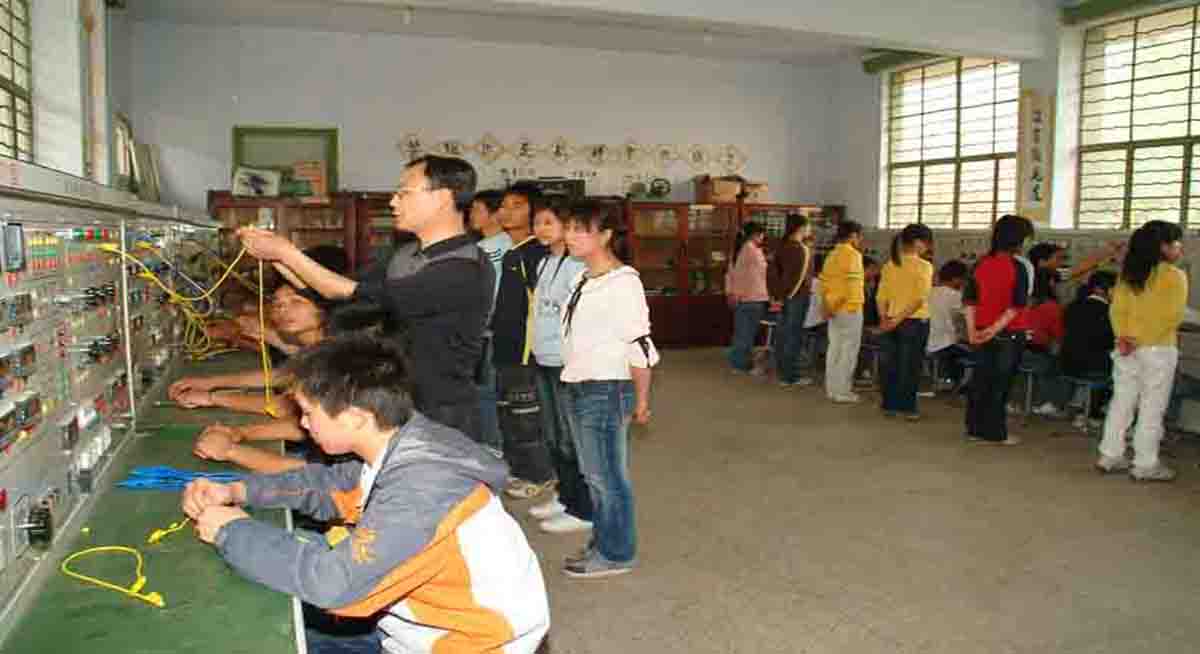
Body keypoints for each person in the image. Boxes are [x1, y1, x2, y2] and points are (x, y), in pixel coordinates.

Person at [182, 335, 549, 653]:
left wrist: (231, 530)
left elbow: (333, 586)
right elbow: (333, 487)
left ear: (356, 416)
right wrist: (238, 490)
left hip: (472, 644)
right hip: (424, 621)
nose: (303, 423)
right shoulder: (405, 443)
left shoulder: (420, 491)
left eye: (308, 412)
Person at [237, 155, 494, 444]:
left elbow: (346, 292)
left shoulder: (463, 268)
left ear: (443, 197)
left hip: (439, 415)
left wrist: (287, 252)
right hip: (394, 403)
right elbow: (331, 293)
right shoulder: (406, 255)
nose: (393, 202)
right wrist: (275, 257)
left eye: (404, 193)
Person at [559, 199, 659, 578]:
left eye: (580, 230)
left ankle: (616, 554)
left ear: (605, 236)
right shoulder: (582, 277)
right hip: (578, 383)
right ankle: (604, 540)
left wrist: (642, 399)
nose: (570, 236)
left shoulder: (624, 283)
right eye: (568, 228)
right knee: (594, 475)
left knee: (607, 477)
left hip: (606, 387)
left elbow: (639, 344)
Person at [1096, 220, 1187, 481]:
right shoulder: (1174, 276)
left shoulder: (1129, 274)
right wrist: (1141, 340)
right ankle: (1146, 464)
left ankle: (1110, 455)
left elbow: (1117, 310)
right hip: (1158, 349)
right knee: (1152, 407)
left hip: (1126, 348)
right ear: (1163, 247)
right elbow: (1172, 316)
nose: (1179, 248)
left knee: (1121, 402)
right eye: (1176, 243)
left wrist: (1124, 338)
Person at [168, 281, 331, 417]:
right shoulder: (315, 348)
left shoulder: (331, 353)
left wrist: (212, 398)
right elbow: (284, 375)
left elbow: (284, 407)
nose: (282, 309)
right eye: (277, 304)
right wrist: (210, 382)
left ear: (322, 308)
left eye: (296, 301)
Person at [527, 197, 591, 534]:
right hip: (543, 357)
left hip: (566, 363)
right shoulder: (544, 263)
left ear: (567, 227)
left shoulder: (577, 266)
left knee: (571, 438)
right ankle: (565, 497)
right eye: (537, 222)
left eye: (549, 222)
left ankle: (583, 510)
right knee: (552, 436)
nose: (540, 229)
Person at [491, 185, 556, 500]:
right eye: (503, 206)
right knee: (509, 414)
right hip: (505, 347)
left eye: (516, 205)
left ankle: (539, 474)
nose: (506, 212)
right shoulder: (513, 252)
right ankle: (519, 469)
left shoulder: (536, 254)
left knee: (527, 416)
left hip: (525, 352)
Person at [963, 214, 1035, 445]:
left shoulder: (981, 263)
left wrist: (972, 331)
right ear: (1019, 239)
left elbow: (969, 300)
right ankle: (995, 432)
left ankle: (974, 428)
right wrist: (994, 330)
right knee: (999, 385)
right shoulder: (1018, 267)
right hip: (1008, 333)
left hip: (981, 330)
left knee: (981, 380)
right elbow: (1017, 305)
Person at [876, 224, 934, 420]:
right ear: (918, 242)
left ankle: (890, 405)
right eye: (926, 243)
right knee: (911, 366)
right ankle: (907, 408)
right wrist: (897, 320)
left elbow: (881, 296)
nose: (927, 247)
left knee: (891, 365)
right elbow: (919, 299)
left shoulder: (890, 265)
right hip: (914, 322)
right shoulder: (924, 266)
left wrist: (885, 319)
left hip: (890, 320)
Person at [470, 189, 512, 456]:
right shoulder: (483, 247)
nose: (472, 215)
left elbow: (493, 295)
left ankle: (493, 449)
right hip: (485, 330)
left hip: (490, 332)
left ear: (495, 215)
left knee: (487, 393)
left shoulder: (496, 249)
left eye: (477, 209)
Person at [1061, 270, 1117, 427]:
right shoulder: (1110, 312)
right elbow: (1108, 343)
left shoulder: (1072, 306)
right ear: (1100, 289)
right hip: (1094, 369)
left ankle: (1080, 406)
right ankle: (1094, 412)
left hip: (1067, 364)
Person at [820, 220, 866, 403]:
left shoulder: (831, 255)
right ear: (853, 236)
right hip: (849, 308)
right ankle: (843, 391)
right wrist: (835, 306)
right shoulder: (853, 255)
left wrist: (827, 307)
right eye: (859, 237)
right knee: (848, 351)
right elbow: (851, 288)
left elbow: (824, 285)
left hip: (833, 309)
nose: (860, 240)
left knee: (835, 348)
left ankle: (832, 389)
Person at [767, 214, 816, 388]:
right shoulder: (800, 249)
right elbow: (796, 277)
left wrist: (776, 296)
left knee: (782, 335)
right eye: (808, 226)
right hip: (796, 297)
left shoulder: (781, 246)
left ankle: (782, 373)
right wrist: (788, 295)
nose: (810, 230)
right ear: (800, 228)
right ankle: (790, 376)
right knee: (793, 337)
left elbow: (772, 273)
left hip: (781, 297)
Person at [1020, 264, 1072, 418]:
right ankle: (1050, 404)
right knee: (1062, 365)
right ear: (1051, 283)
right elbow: (1058, 336)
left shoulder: (1023, 301)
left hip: (1017, 352)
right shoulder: (1052, 307)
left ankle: (1019, 401)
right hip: (1037, 355)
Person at [726, 222, 769, 375]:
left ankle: (737, 363)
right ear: (756, 234)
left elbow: (731, 274)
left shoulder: (739, 249)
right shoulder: (752, 250)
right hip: (753, 297)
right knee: (747, 334)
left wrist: (731, 293)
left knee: (741, 333)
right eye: (762, 234)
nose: (763, 238)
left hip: (742, 297)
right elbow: (763, 272)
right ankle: (740, 364)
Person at [927, 260, 970, 389]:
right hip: (944, 345)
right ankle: (958, 383)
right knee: (979, 354)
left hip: (925, 344)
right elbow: (965, 321)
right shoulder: (956, 296)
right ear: (956, 279)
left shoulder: (929, 292)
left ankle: (943, 377)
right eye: (964, 279)